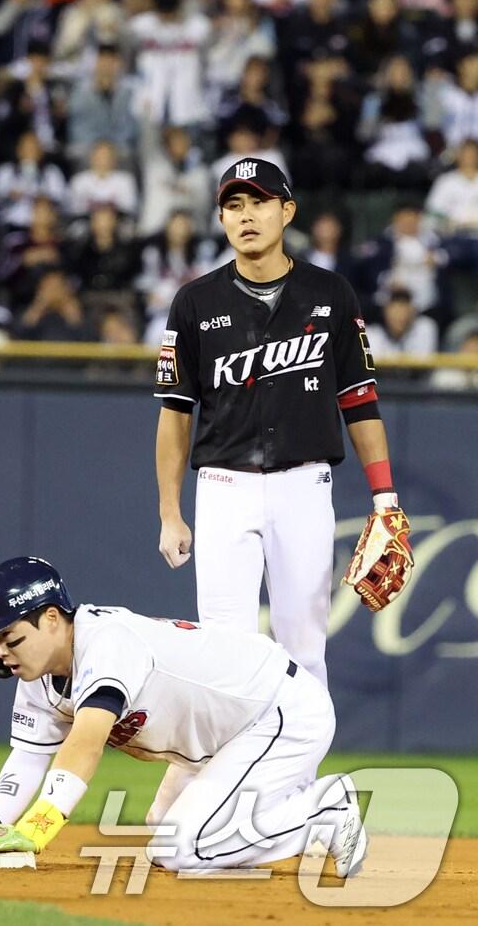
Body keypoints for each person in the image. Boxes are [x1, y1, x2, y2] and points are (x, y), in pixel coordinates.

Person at [0, 557, 368, 878]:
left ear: (50, 619)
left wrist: (39, 826)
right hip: (224, 737)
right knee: (163, 833)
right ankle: (286, 821)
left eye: (8, 636)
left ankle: (323, 810)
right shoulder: (38, 674)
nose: (0, 652)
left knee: (183, 848)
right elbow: (27, 758)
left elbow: (84, 742)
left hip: (277, 710)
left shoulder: (105, 644)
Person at [154, 157, 405, 691]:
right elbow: (175, 412)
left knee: (305, 653)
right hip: (223, 487)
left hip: (304, 486)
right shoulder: (194, 303)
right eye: (234, 205)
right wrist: (170, 512)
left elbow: (360, 403)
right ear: (221, 219)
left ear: (287, 211)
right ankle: (233, 777)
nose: (246, 215)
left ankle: (294, 778)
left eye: (260, 202)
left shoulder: (331, 294)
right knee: (223, 658)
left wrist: (385, 500)